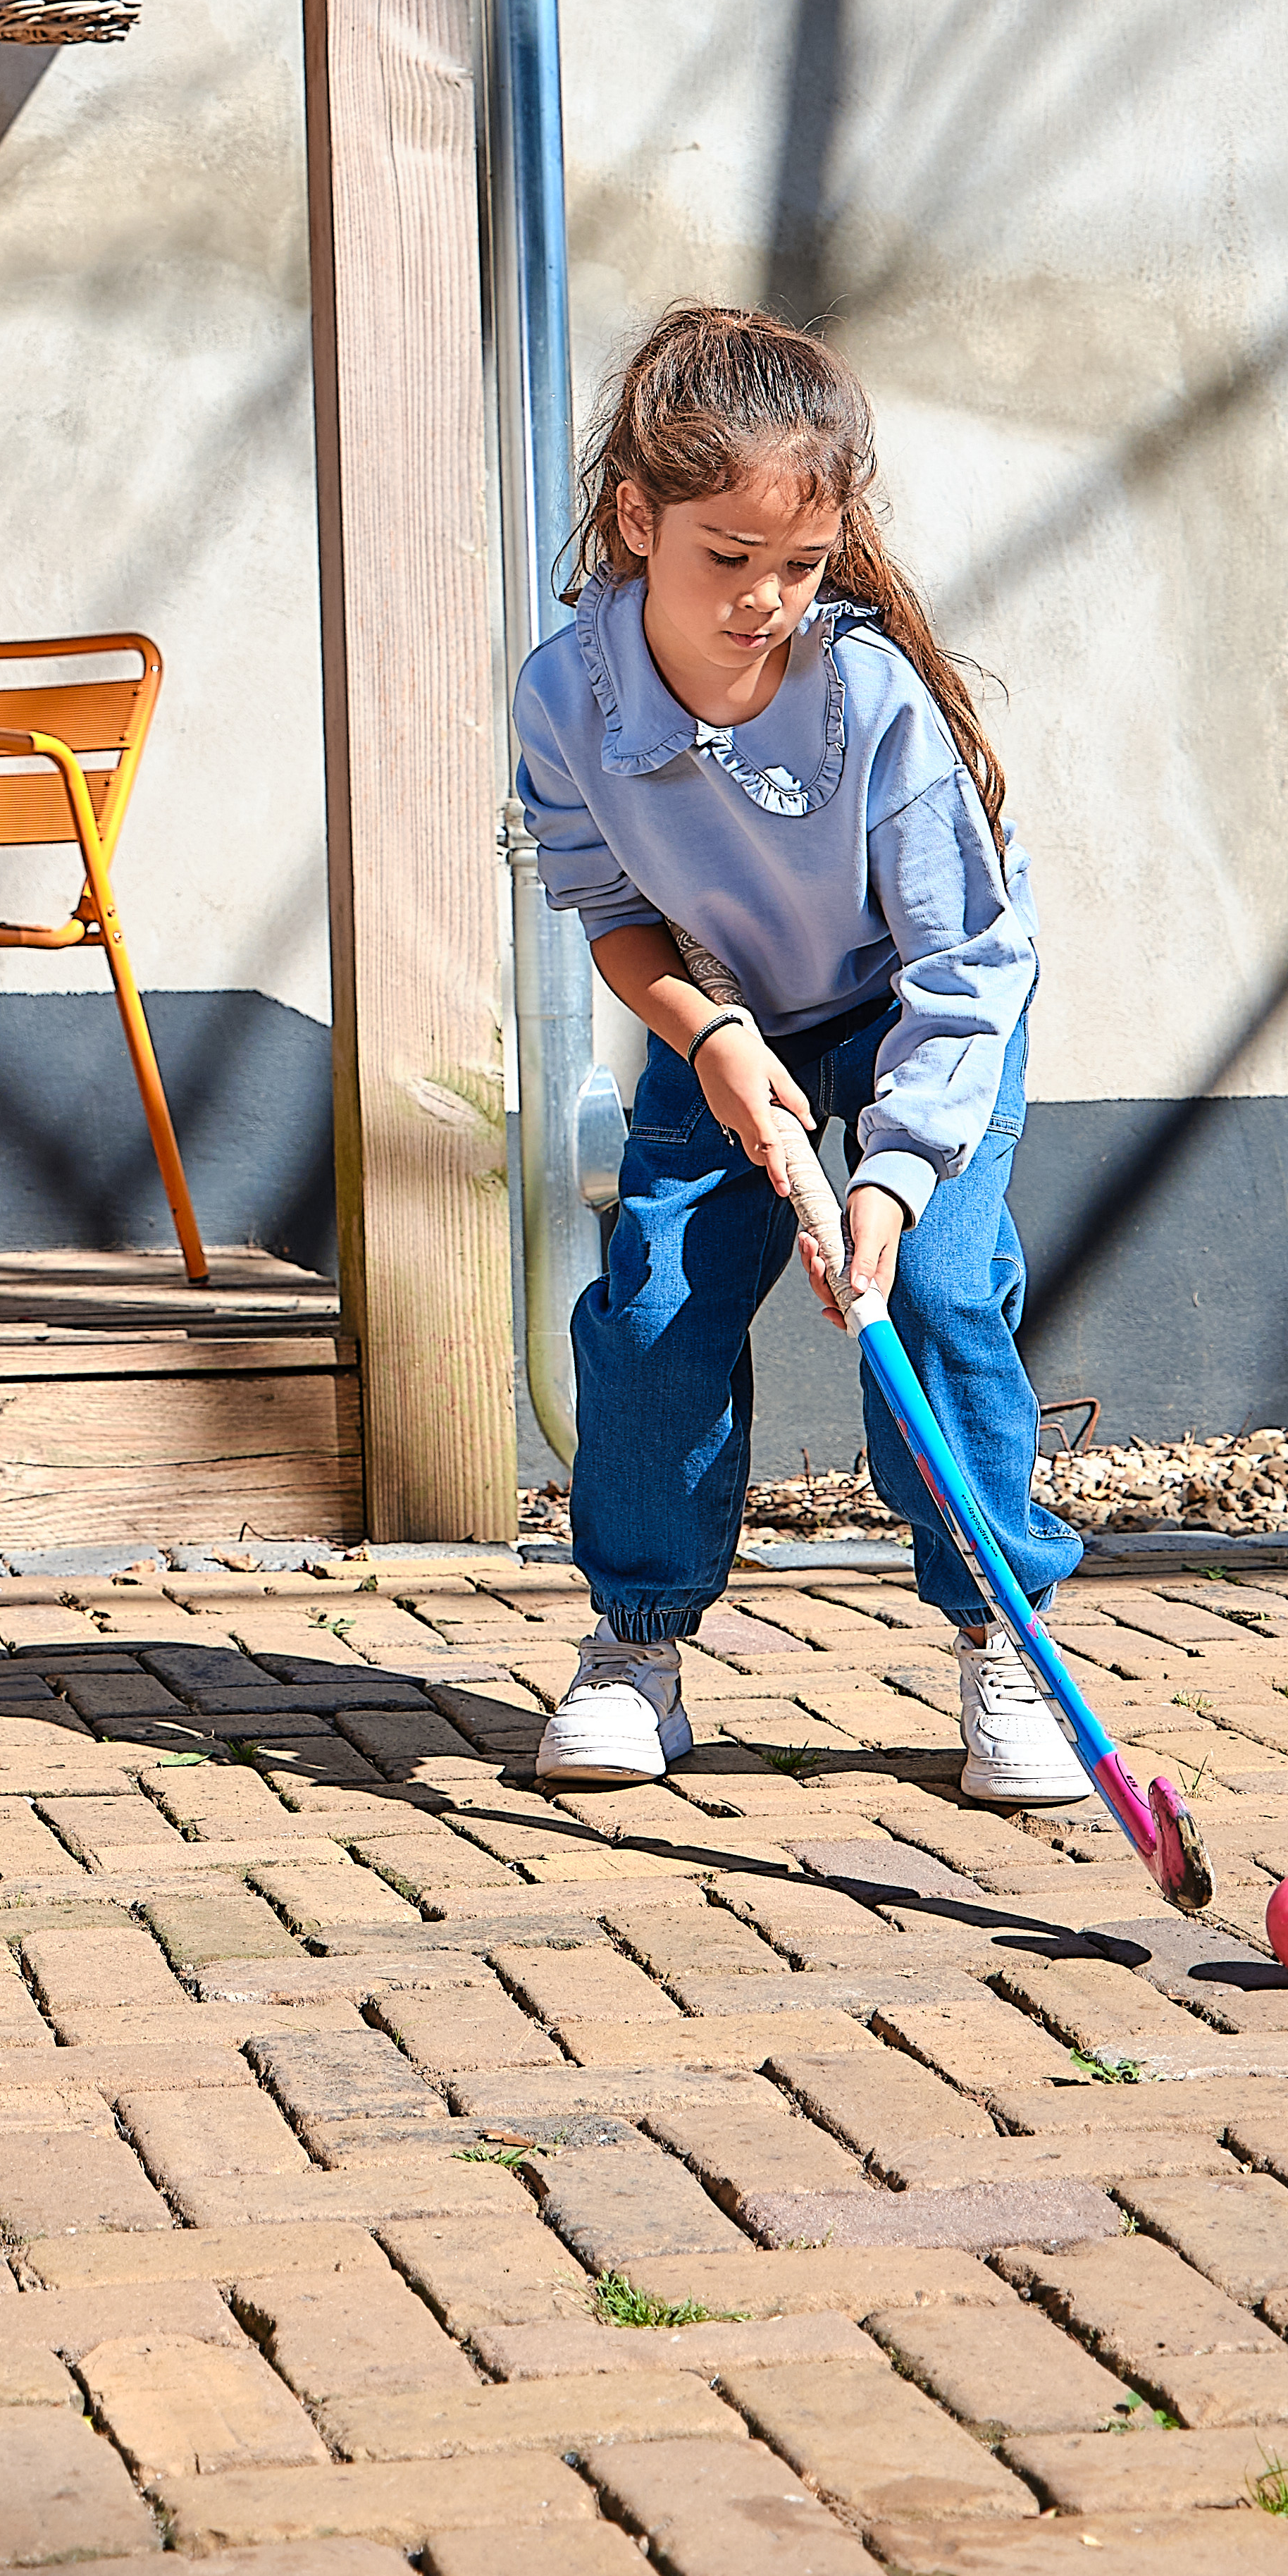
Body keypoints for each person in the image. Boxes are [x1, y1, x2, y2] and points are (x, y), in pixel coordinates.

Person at [511, 300, 1084, 1806]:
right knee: (655, 1314)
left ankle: (1004, 1640)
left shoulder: (872, 699)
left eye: (803, 565)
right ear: (637, 521)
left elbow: (966, 965)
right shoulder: (565, 698)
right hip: (723, 1014)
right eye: (727, 557)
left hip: (919, 1013)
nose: (765, 599)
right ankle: (635, 1650)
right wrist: (710, 1038)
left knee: (937, 1293)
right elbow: (616, 915)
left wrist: (889, 1181)